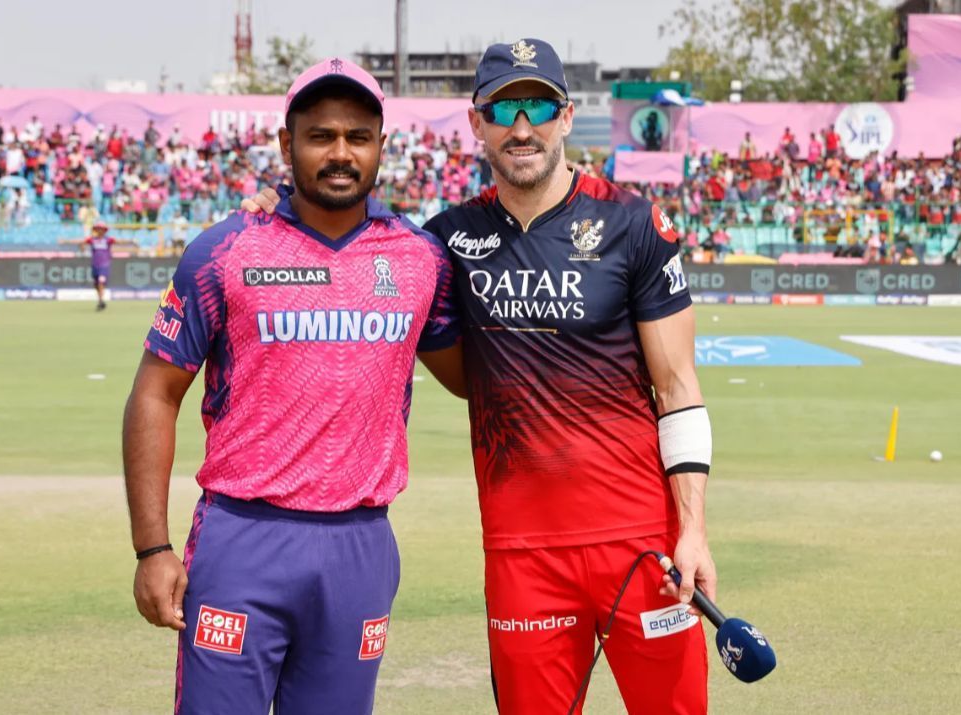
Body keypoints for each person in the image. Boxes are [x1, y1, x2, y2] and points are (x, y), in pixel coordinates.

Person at [245, 38, 715, 715]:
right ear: (476, 124)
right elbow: (354, 257)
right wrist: (281, 215)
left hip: (643, 547)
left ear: (564, 115)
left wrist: (693, 529)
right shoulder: (442, 241)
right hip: (522, 554)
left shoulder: (632, 222)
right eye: (502, 109)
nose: (520, 127)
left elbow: (679, 390)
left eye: (536, 106)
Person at [122, 57, 463, 715]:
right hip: (243, 538)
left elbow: (476, 379)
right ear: (287, 144)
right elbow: (155, 393)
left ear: (381, 147)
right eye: (320, 135)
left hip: (360, 546)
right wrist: (152, 546)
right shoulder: (225, 250)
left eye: (358, 137)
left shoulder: (421, 260)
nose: (340, 153)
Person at [59, 221, 137, 311]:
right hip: (95, 265)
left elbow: (120, 241)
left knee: (100, 282)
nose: (100, 231)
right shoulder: (93, 240)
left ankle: (101, 301)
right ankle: (100, 299)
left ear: (104, 231)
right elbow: (80, 241)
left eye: (101, 229)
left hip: (104, 265)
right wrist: (66, 241)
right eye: (98, 229)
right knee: (96, 284)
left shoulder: (108, 240)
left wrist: (131, 241)